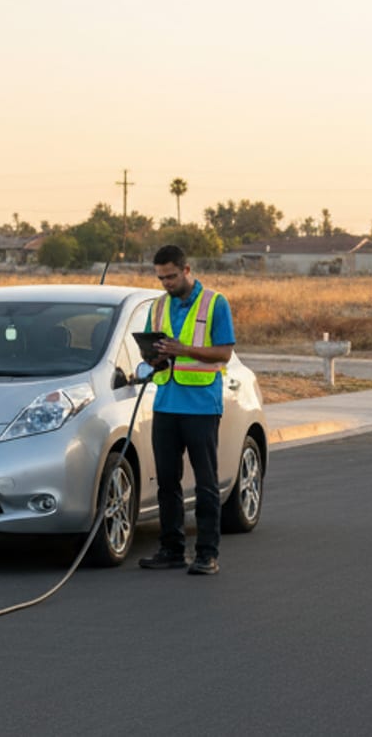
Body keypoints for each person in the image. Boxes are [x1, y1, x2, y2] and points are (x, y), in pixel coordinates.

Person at [138, 244, 236, 576]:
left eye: (171, 276)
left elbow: (223, 353)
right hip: (165, 403)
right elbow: (157, 351)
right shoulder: (157, 306)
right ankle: (172, 549)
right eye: (161, 277)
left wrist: (184, 349)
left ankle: (207, 554)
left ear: (186, 270)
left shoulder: (214, 303)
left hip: (202, 406)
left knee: (206, 483)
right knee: (167, 481)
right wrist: (153, 356)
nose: (166, 282)